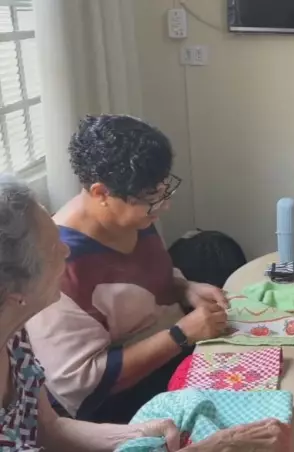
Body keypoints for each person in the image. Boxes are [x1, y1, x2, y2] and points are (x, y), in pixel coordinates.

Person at [0, 174, 289, 451]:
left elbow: (51, 429)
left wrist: (139, 432)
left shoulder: (14, 338)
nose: (65, 251)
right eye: (52, 248)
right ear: (15, 290)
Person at [25, 115, 229, 424]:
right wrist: (181, 334)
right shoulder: (59, 267)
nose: (164, 206)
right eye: (151, 197)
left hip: (174, 359)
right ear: (100, 193)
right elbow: (80, 386)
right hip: (117, 408)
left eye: (164, 190)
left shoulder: (135, 218)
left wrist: (184, 288)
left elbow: (150, 277)